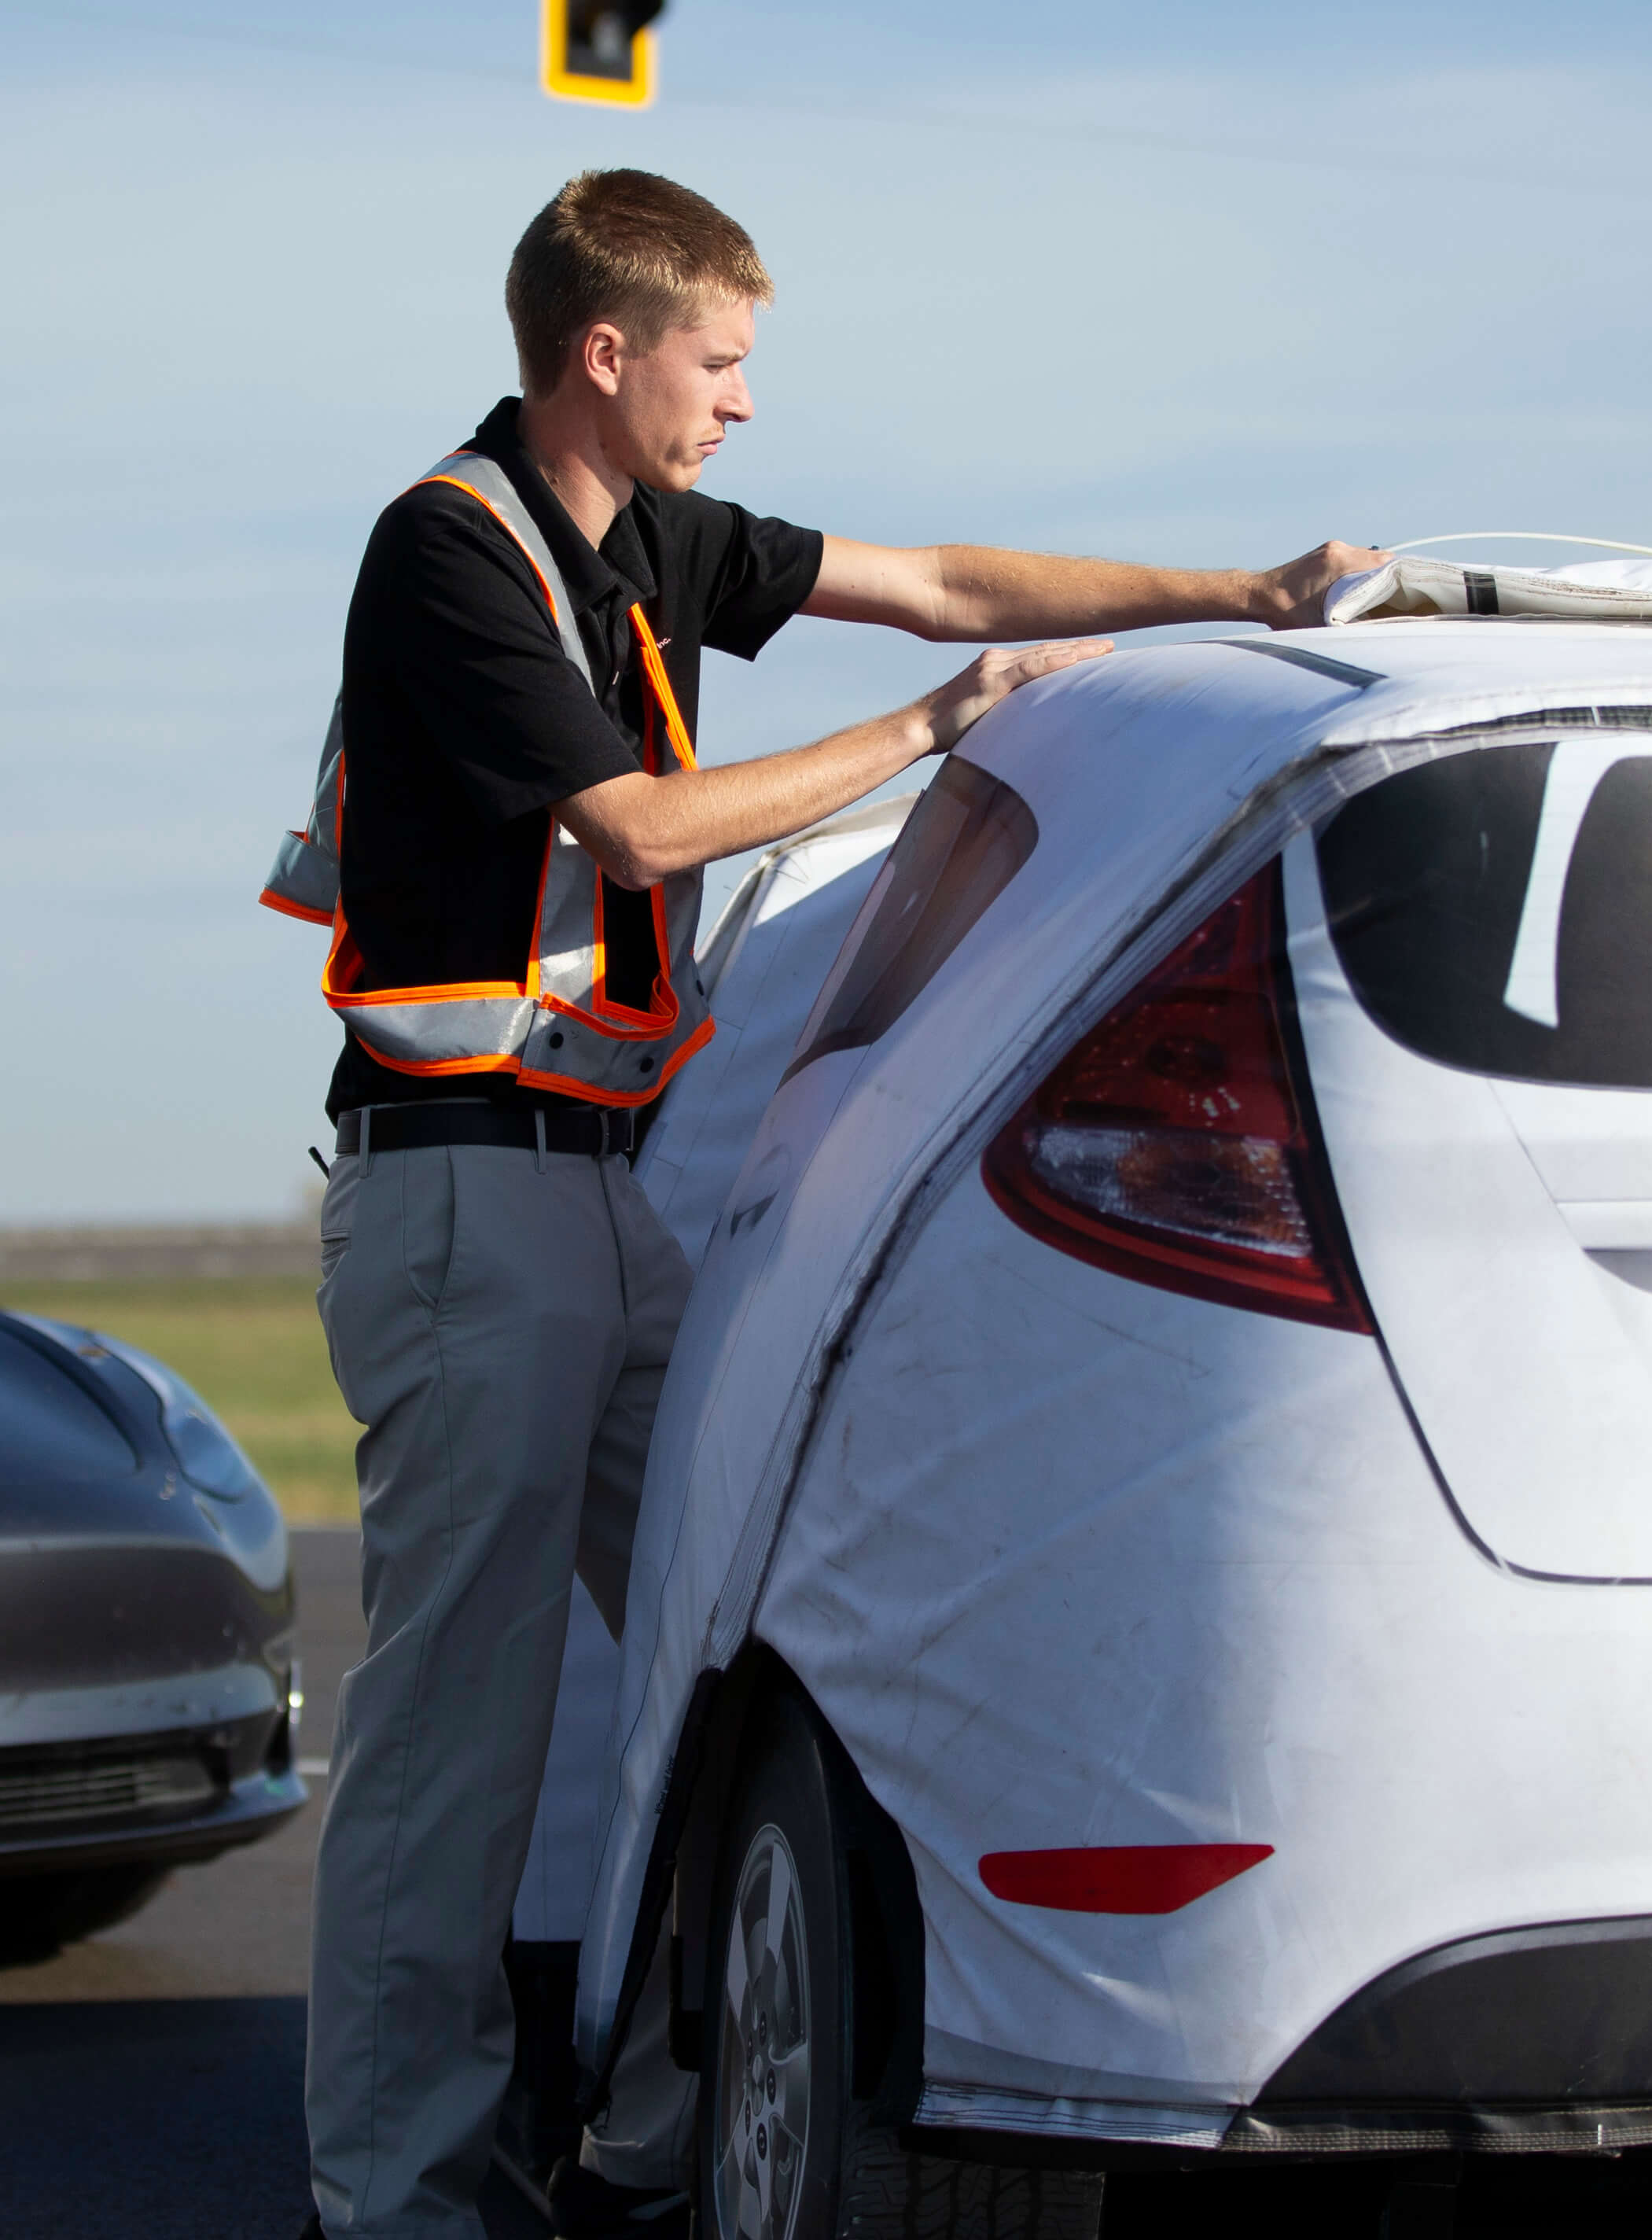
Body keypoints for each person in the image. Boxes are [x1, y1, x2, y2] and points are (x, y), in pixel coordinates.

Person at [280, 169, 1382, 2240]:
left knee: (742, 1634)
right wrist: (920, 742)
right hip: (463, 1212)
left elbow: (951, 582)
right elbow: (641, 820)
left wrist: (1244, 590)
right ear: (606, 356)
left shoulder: (654, 535)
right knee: (455, 1733)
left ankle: (637, 2113)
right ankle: (400, 2196)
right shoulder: (450, 553)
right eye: (722, 361)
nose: (745, 402)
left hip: (594, 1212)